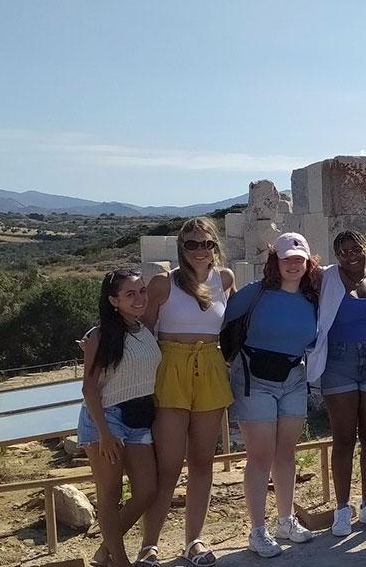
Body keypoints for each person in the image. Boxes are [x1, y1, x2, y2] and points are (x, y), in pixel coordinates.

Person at [141, 217, 235, 567]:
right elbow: (140, 330)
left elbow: (236, 324)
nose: (200, 250)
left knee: (202, 463)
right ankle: (149, 545)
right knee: (167, 466)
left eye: (206, 243)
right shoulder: (162, 284)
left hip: (210, 367)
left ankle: (193, 540)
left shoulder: (224, 279)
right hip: (171, 368)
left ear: (215, 247)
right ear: (182, 248)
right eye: (192, 244)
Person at [224, 233, 319, 556]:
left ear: (308, 263)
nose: (293, 264)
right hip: (254, 378)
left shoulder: (313, 297)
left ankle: (285, 520)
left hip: (293, 375)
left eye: (299, 259)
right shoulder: (254, 294)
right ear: (274, 262)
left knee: (287, 454)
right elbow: (220, 326)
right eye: (286, 258)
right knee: (260, 456)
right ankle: (257, 529)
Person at [308, 230, 366, 537]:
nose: (350, 256)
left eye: (355, 249)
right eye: (343, 252)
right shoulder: (325, 277)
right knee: (343, 437)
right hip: (339, 361)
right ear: (336, 256)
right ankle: (342, 509)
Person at [79, 269, 161, 567]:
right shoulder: (100, 337)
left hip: (139, 415)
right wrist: (104, 433)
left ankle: (105, 551)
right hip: (106, 418)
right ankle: (121, 560)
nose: (139, 298)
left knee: (147, 490)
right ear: (113, 301)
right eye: (130, 293)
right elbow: (89, 388)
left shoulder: (145, 328)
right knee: (110, 493)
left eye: (141, 291)